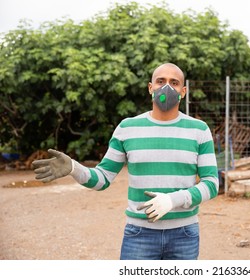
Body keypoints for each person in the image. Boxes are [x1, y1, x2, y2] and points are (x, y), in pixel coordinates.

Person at [32, 63, 219, 259]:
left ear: (183, 91)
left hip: (184, 234)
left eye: (174, 83)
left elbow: (212, 184)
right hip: (140, 235)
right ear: (150, 88)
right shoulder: (127, 128)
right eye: (160, 81)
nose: (166, 88)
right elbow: (102, 178)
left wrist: (173, 200)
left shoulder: (199, 130)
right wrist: (73, 168)